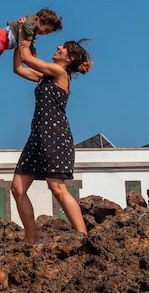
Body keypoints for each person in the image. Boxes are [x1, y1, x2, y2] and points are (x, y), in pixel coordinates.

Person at [11, 28, 92, 244]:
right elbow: (18, 67)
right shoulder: (46, 75)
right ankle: (31, 242)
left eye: (63, 47)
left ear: (70, 58)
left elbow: (27, 57)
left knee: (57, 187)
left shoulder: (59, 73)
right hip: (37, 136)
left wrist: (23, 33)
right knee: (17, 189)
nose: (58, 47)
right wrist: (15, 39)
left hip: (55, 135)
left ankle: (83, 238)